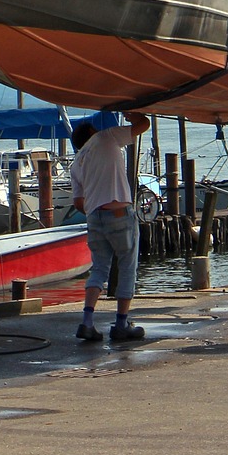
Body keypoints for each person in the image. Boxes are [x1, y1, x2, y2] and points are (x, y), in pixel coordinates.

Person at [69, 111, 150, 342]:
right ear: (92, 133)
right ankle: (122, 324)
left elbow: (78, 202)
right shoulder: (107, 137)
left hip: (94, 216)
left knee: (99, 269)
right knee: (126, 267)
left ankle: (87, 322)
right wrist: (132, 112)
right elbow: (143, 125)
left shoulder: (77, 162)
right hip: (119, 213)